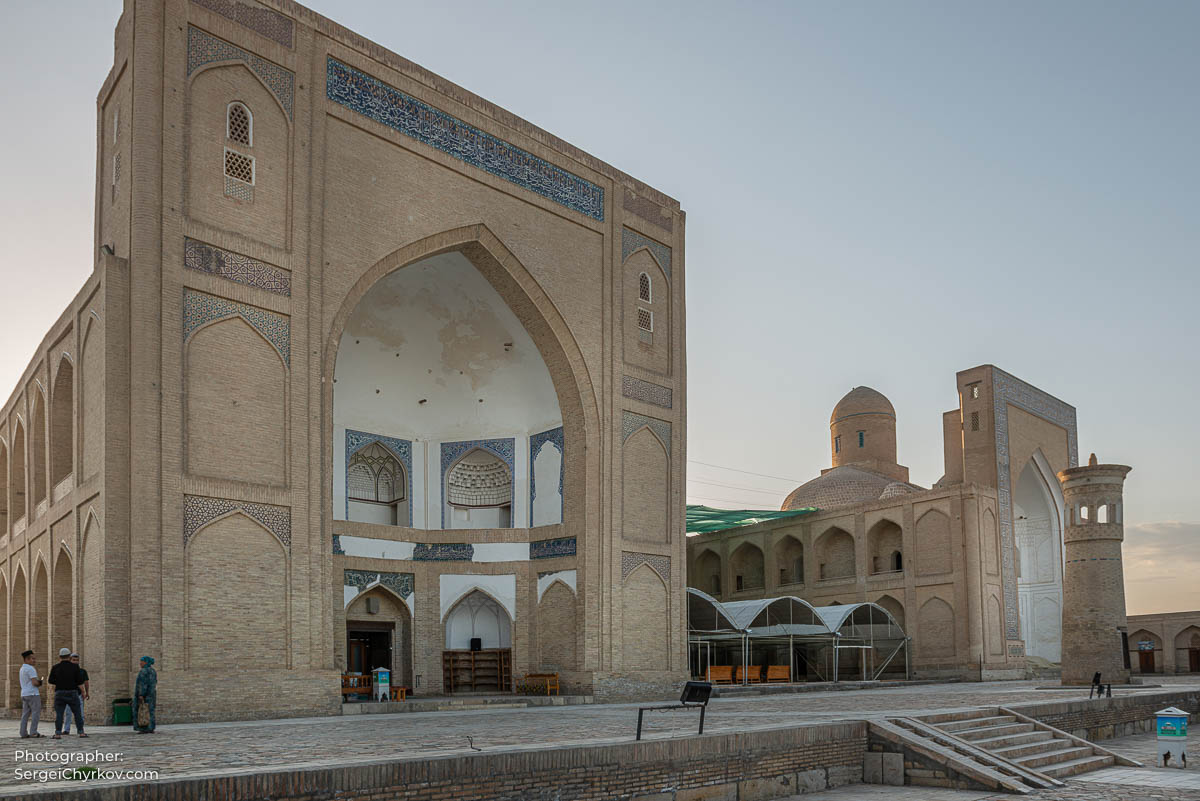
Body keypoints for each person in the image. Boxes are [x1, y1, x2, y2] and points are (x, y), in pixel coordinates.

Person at [47, 647, 87, 739]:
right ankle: (81, 732)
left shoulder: (55, 667)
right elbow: (79, 681)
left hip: (59, 692)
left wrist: (59, 681)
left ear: (60, 657)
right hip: (72, 692)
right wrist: (83, 692)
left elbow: (50, 680)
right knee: (77, 713)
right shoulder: (75, 667)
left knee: (60, 714)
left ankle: (57, 733)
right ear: (69, 656)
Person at [18, 650, 44, 739]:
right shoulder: (30, 668)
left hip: (24, 694)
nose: (34, 660)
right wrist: (40, 682)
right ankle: (33, 732)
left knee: (25, 714)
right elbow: (34, 683)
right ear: (27, 659)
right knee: (35, 713)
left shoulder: (22, 668)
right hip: (33, 694)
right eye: (32, 659)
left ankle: (23, 733)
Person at [62, 653, 89, 735]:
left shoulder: (82, 671)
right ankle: (66, 730)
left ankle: (80, 729)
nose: (75, 662)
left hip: (78, 695)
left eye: (77, 660)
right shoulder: (66, 671)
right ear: (70, 661)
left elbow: (86, 682)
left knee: (80, 713)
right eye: (73, 660)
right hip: (68, 695)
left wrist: (87, 692)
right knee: (68, 713)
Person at [132, 656, 157, 733]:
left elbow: (143, 684)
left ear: (146, 662)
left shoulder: (144, 671)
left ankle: (143, 727)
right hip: (152, 695)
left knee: (142, 711)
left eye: (141, 661)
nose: (140, 663)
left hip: (145, 696)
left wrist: (141, 694)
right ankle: (151, 727)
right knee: (150, 711)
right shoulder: (153, 671)